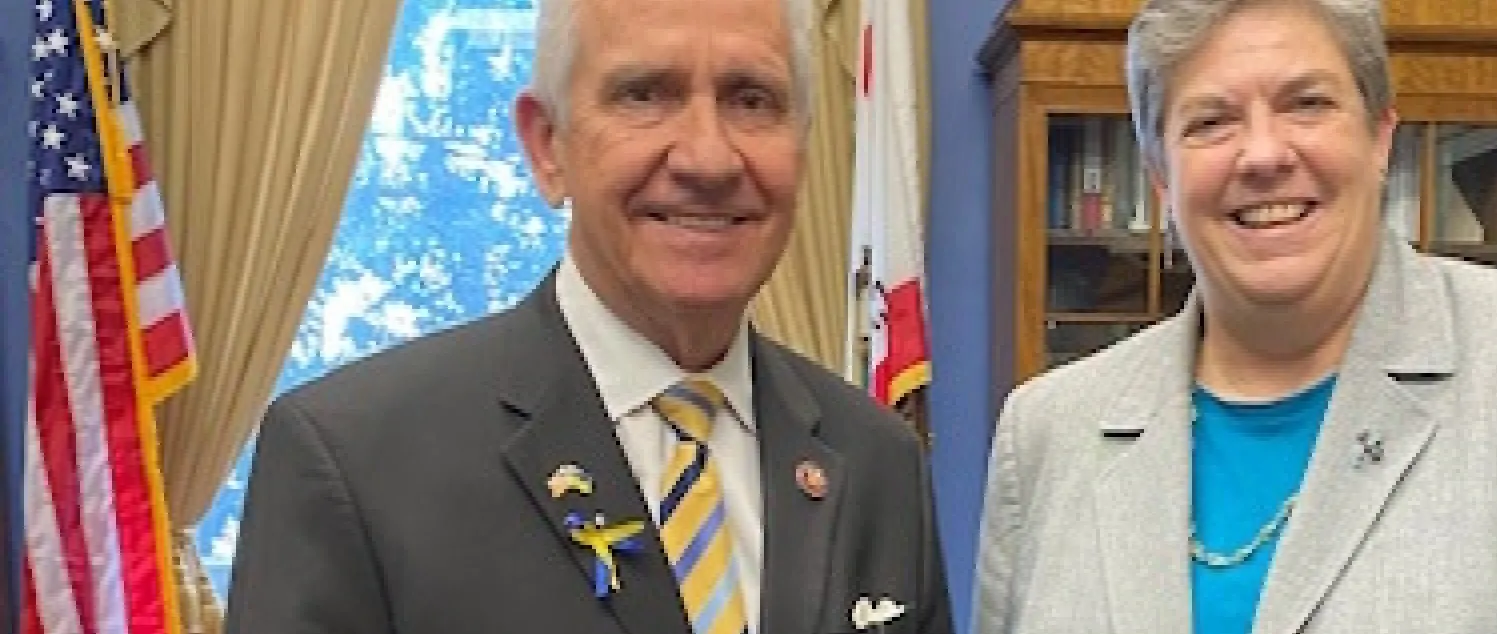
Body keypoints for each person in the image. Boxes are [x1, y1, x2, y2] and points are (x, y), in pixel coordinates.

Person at [971, 1, 1497, 633]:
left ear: (1379, 137)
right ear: (1161, 177)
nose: (1263, 154)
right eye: (1211, 121)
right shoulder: (1048, 435)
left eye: (1306, 103)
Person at [225, 0, 952, 632]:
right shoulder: (354, 464)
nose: (708, 157)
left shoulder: (878, 462)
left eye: (751, 100)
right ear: (547, 146)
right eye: (645, 94)